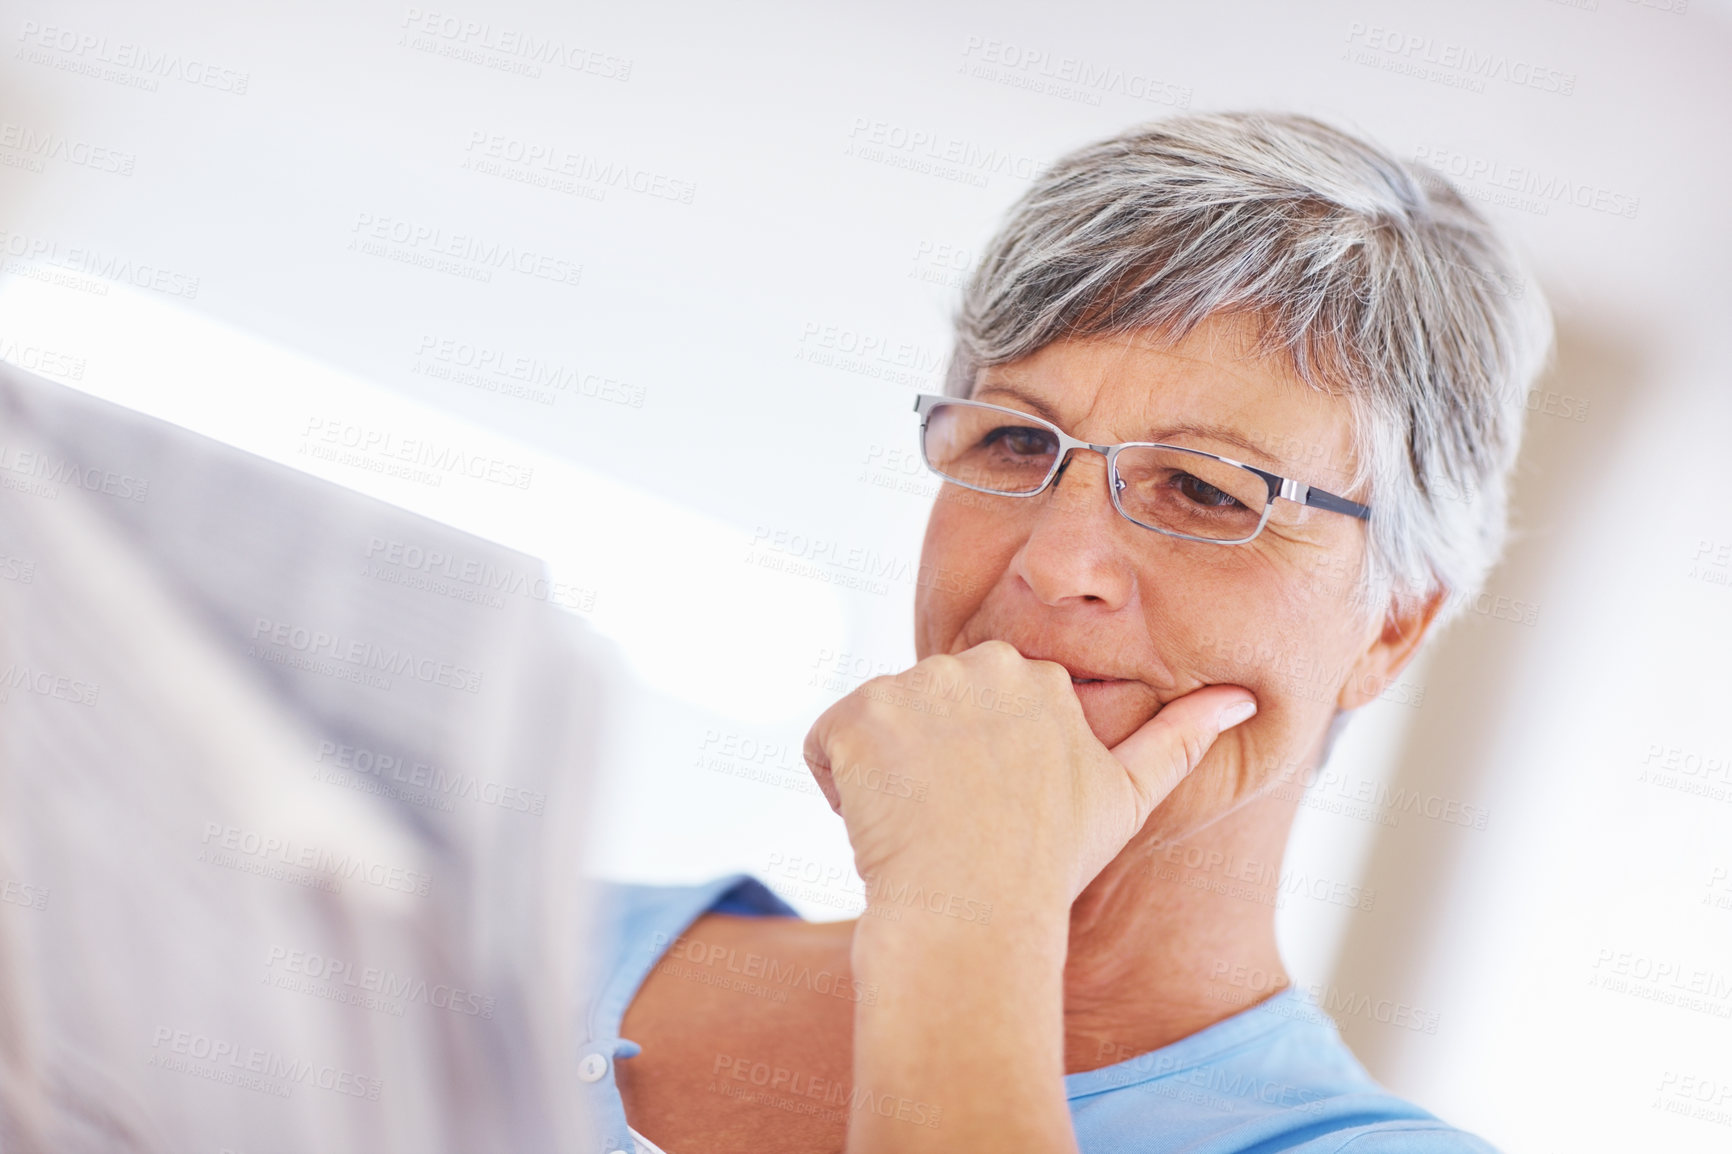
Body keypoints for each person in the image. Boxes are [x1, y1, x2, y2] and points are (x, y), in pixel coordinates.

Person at [573, 111, 1550, 1154]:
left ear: (1390, 628)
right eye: (1012, 438)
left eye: (1203, 489)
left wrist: (967, 909)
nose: (1056, 559)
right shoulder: (534, 933)